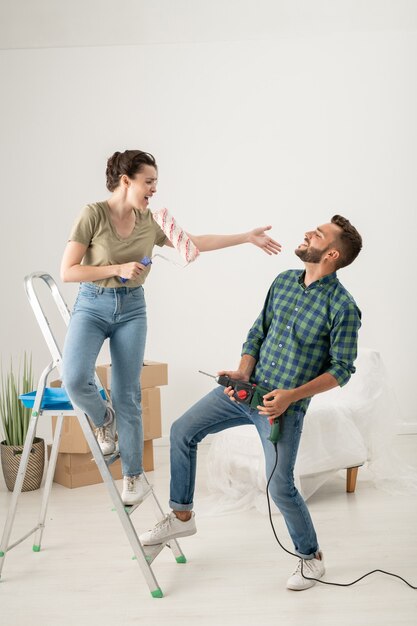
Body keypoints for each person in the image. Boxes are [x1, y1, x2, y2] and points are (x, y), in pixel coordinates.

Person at [139, 214, 363, 591]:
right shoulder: (282, 283)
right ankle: (181, 515)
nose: (308, 232)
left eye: (319, 234)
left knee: (280, 488)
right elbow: (257, 332)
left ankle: (312, 558)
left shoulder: (343, 307)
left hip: (281, 409)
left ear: (332, 253)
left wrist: (291, 396)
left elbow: (342, 369)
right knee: (181, 431)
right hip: (245, 392)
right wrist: (244, 370)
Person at [60, 149, 281, 506]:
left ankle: (132, 476)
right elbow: (68, 271)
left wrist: (245, 237)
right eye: (149, 182)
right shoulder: (92, 214)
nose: (154, 190)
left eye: (156, 183)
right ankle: (104, 418)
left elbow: (194, 243)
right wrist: (116, 268)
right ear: (126, 180)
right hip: (92, 303)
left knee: (128, 392)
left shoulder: (152, 219)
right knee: (73, 378)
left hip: (132, 309)